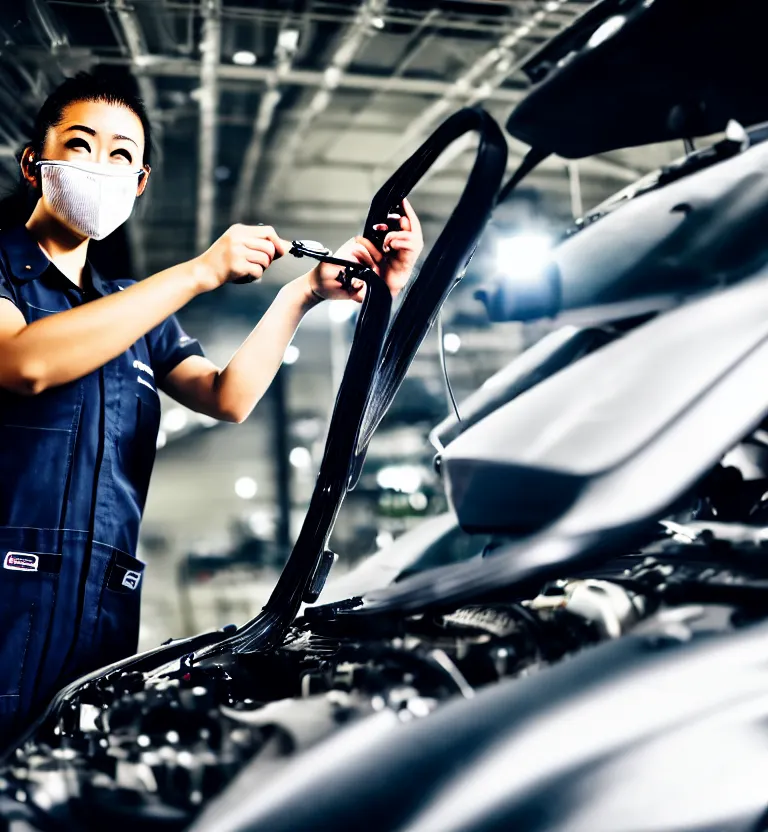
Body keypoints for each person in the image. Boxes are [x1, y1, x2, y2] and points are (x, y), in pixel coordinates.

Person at [0, 71, 423, 738]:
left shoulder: (134, 308)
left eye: (121, 156)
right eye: (81, 145)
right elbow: (23, 363)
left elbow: (229, 396)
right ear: (35, 163)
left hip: (100, 619)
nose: (101, 167)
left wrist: (304, 292)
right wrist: (200, 271)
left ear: (139, 183)